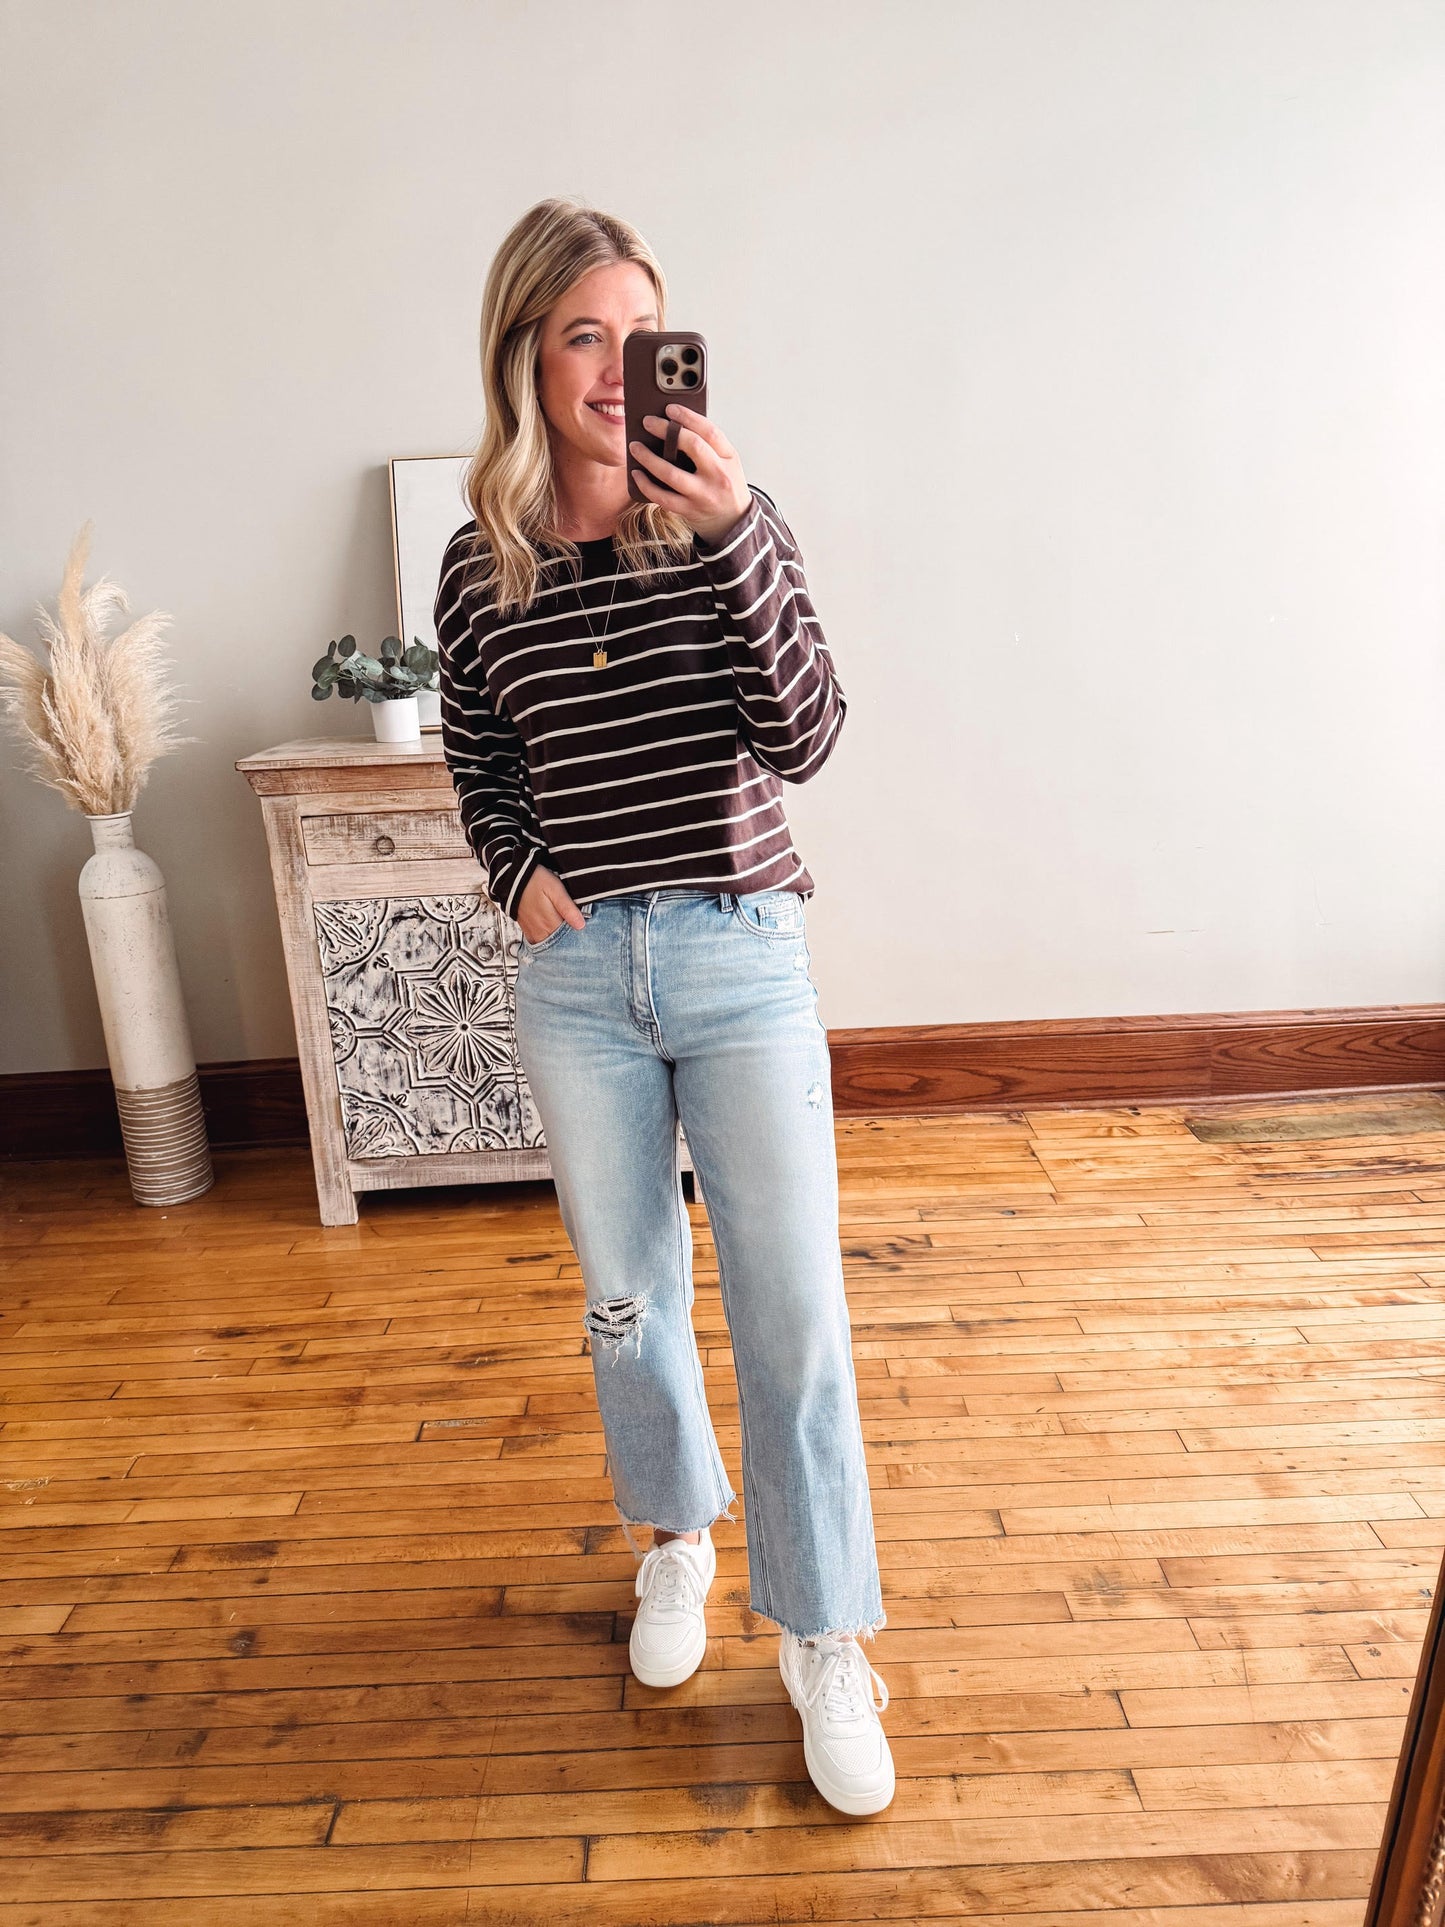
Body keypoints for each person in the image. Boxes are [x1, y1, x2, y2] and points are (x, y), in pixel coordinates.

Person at [433, 195, 893, 1816]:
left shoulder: (720, 516)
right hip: (576, 978)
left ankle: (826, 1632)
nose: (618, 367)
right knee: (625, 1297)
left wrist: (737, 530)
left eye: (641, 335)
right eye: (581, 335)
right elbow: (480, 755)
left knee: (791, 1315)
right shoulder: (476, 554)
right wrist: (514, 873)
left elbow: (807, 733)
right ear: (524, 356)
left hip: (736, 949)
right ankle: (676, 1538)